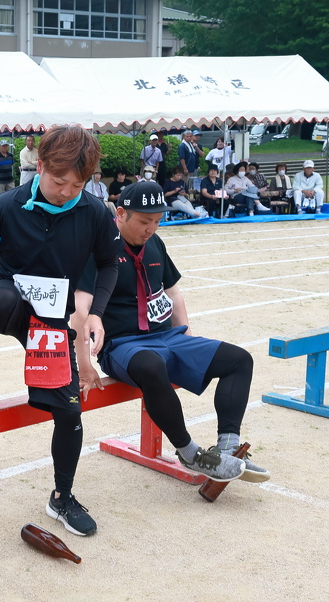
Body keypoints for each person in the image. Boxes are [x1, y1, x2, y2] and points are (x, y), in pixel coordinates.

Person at [0, 124, 120, 537]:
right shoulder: (9, 203)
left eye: (77, 185)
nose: (66, 192)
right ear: (40, 167)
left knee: (69, 412)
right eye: (58, 182)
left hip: (53, 319)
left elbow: (110, 263)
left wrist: (96, 313)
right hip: (11, 299)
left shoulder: (93, 212)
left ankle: (62, 497)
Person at [73, 181, 268, 485]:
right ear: (121, 214)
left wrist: (185, 336)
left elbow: (173, 293)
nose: (151, 228)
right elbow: (80, 310)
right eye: (144, 221)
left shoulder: (155, 243)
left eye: (157, 220)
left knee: (239, 360)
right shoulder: (97, 248)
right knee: (152, 366)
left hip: (167, 337)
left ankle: (228, 446)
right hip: (122, 345)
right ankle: (190, 453)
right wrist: (84, 365)